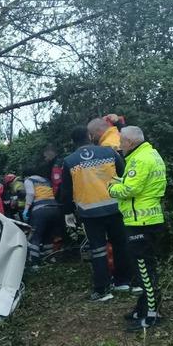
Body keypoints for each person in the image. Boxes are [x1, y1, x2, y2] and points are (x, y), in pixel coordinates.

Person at [58, 126, 132, 301]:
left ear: (72, 142)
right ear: (90, 137)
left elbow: (66, 191)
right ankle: (124, 281)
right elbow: (125, 175)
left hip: (89, 212)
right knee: (121, 244)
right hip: (115, 207)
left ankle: (103, 290)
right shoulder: (109, 152)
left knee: (98, 250)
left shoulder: (69, 161)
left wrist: (68, 212)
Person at [108, 126, 167, 331]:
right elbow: (140, 183)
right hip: (147, 220)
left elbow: (130, 189)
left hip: (140, 223)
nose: (120, 146)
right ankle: (143, 308)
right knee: (144, 268)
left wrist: (111, 187)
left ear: (131, 142)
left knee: (144, 271)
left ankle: (152, 315)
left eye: (122, 142)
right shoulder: (150, 154)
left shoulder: (139, 159)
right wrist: (123, 180)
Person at [24, 170, 62, 265]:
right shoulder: (46, 180)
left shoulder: (29, 180)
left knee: (35, 236)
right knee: (48, 236)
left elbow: (30, 194)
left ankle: (34, 262)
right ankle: (49, 260)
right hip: (55, 209)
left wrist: (26, 209)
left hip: (41, 210)